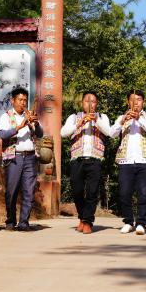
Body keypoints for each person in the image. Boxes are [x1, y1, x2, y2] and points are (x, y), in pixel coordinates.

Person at [61, 91, 111, 234]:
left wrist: (96, 121)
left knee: (92, 192)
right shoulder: (74, 117)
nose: (90, 104)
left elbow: (109, 132)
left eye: (93, 101)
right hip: (77, 158)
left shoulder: (102, 117)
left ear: (97, 104)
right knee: (77, 191)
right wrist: (80, 123)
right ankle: (82, 217)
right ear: (81, 103)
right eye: (87, 101)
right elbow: (63, 133)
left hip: (95, 159)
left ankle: (88, 221)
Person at [109, 89, 146, 235]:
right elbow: (112, 133)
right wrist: (123, 120)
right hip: (126, 161)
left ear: (143, 102)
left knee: (143, 193)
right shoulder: (121, 117)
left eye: (139, 100)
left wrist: (138, 119)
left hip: (145, 160)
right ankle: (128, 222)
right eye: (132, 100)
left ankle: (141, 223)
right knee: (124, 193)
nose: (135, 103)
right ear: (128, 102)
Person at [0, 87, 43, 232]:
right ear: (13, 101)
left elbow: (40, 134)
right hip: (14, 157)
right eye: (20, 100)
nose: (23, 103)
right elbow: (3, 135)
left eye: (25, 100)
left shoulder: (30, 115)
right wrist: (19, 127)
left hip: (30, 157)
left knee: (29, 191)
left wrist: (35, 123)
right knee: (12, 190)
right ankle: (10, 220)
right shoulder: (6, 116)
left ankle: (24, 222)